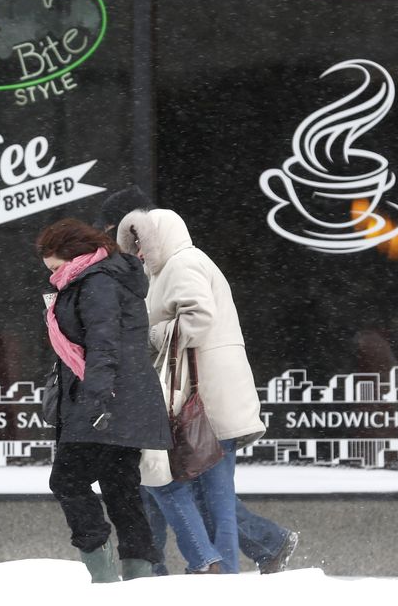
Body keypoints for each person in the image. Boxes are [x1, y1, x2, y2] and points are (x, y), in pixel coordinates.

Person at [99, 186, 299, 575]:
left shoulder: (182, 264)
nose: (131, 250)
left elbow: (197, 319)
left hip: (205, 397)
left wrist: (147, 335)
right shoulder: (164, 268)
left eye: (130, 238)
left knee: (209, 493)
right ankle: (188, 568)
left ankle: (220, 573)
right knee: (180, 486)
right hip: (196, 394)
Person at [36, 218, 173, 582]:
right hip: (122, 398)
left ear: (75, 255)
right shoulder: (101, 279)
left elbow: (103, 345)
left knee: (67, 480)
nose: (52, 275)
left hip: (106, 400)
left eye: (55, 267)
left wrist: (95, 403)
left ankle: (103, 574)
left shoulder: (97, 283)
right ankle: (137, 574)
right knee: (120, 487)